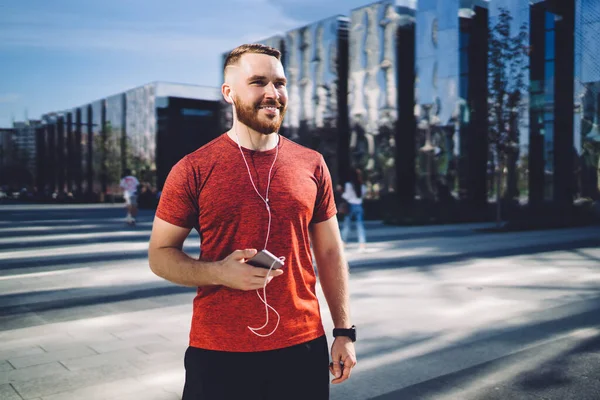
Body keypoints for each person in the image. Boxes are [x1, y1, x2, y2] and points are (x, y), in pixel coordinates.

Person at [148, 43, 356, 400]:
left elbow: (331, 252)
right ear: (228, 92)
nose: (272, 93)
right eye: (258, 82)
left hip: (302, 346)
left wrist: (344, 331)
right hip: (218, 353)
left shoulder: (312, 163)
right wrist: (218, 272)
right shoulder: (192, 168)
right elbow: (160, 254)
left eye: (280, 82)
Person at [341, 168, 367, 251]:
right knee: (360, 225)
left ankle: (343, 242)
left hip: (350, 205)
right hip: (359, 205)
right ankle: (362, 244)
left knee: (347, 225)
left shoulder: (348, 185)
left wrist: (341, 193)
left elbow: (346, 196)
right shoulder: (362, 185)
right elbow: (363, 195)